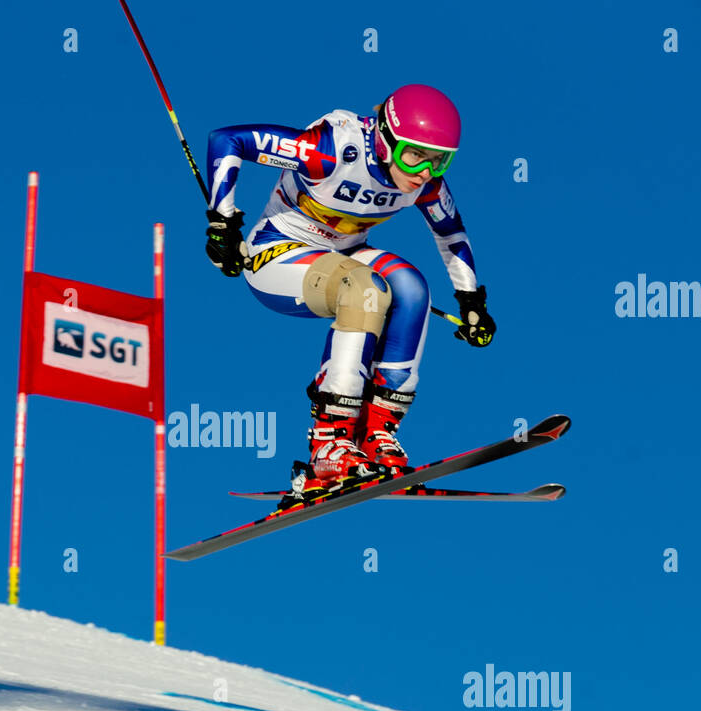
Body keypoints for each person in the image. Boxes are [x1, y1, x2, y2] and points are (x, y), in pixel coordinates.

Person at [204, 84, 496, 500]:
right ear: (384, 138)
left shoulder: (426, 183)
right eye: (412, 155)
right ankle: (328, 443)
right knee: (364, 289)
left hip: (344, 255)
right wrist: (223, 223)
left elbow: (450, 232)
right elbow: (228, 139)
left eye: (439, 160)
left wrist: (471, 301)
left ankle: (376, 432)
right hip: (277, 254)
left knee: (412, 289)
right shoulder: (328, 150)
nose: (423, 171)